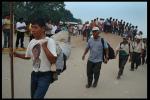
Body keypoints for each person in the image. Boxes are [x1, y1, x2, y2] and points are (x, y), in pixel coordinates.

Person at [13, 17, 57, 98]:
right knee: (33, 97)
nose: (32, 30)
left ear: (43, 29)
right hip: (34, 75)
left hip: (45, 76)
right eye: (32, 27)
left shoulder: (50, 41)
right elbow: (28, 56)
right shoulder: (32, 42)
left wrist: (44, 46)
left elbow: (53, 60)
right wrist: (16, 54)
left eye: (35, 27)